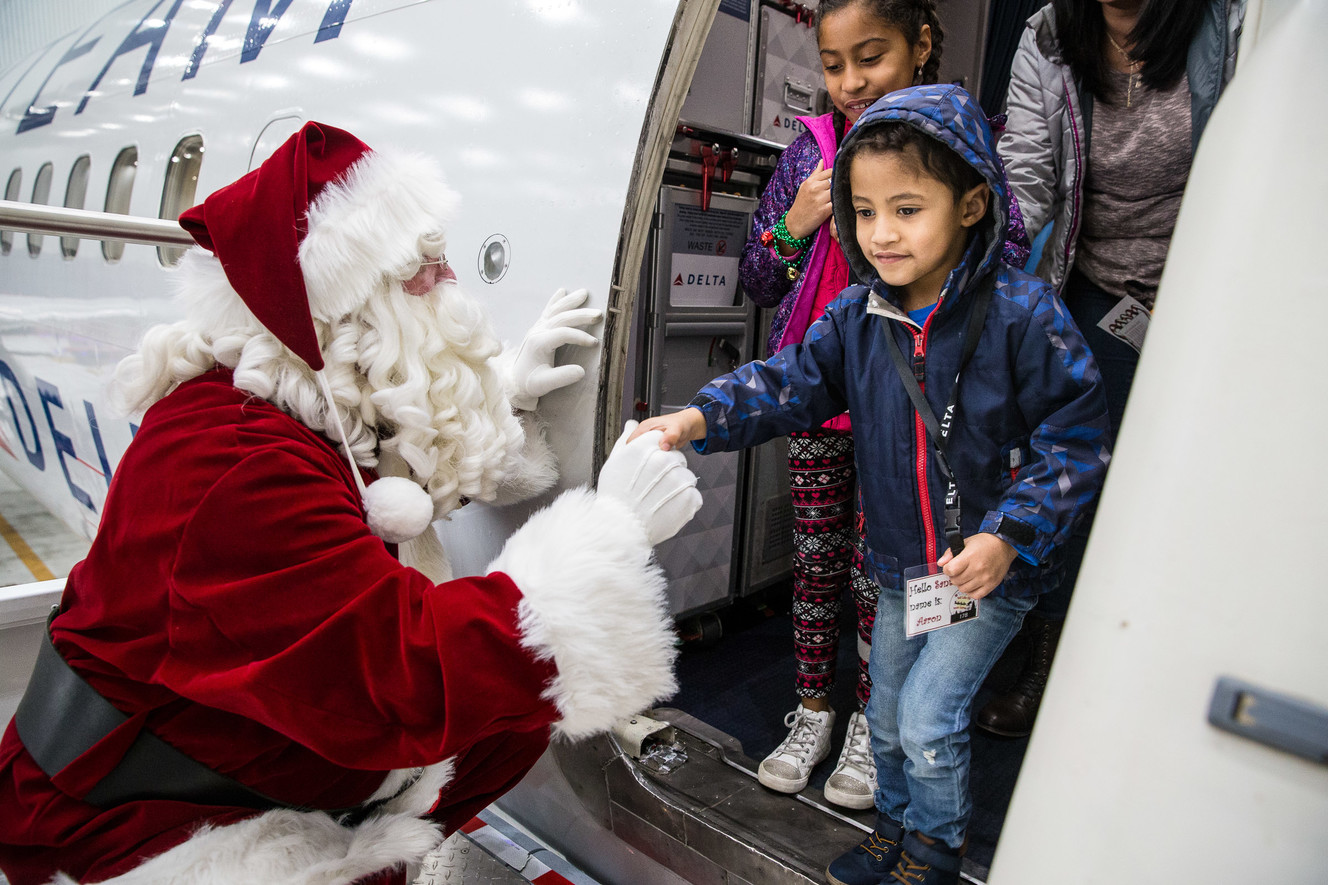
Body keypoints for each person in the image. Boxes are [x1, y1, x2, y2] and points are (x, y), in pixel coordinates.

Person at [0, 122, 702, 885]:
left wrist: (495, 397)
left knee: (512, 716)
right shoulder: (229, 460)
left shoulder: (293, 398)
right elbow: (408, 670)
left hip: (223, 765)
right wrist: (612, 531)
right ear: (340, 311)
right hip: (130, 823)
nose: (453, 291)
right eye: (425, 276)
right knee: (499, 689)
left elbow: (381, 473)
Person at [633, 84, 1109, 885]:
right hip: (896, 565)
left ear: (971, 204)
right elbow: (785, 384)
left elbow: (1078, 437)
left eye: (907, 209)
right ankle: (895, 828)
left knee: (929, 716)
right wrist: (698, 417)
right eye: (863, 211)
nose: (880, 234)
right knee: (885, 713)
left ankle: (934, 850)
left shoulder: (1026, 316)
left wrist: (1009, 535)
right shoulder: (855, 318)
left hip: (987, 572)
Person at [739, 0, 1031, 811]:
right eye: (833, 65)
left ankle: (875, 717)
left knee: (892, 573)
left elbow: (1003, 255)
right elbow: (759, 281)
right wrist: (795, 225)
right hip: (818, 397)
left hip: (910, 403)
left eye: (870, 58)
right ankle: (814, 711)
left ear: (921, 45)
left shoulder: (956, 144)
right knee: (816, 563)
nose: (850, 82)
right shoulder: (811, 153)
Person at [977, 0, 1245, 739]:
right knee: (1077, 474)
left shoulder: (1231, 23)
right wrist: (978, 278)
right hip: (1101, 289)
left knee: (1190, 484)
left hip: (1208, 286)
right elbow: (1024, 182)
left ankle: (1172, 671)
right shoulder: (1050, 34)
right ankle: (1050, 664)